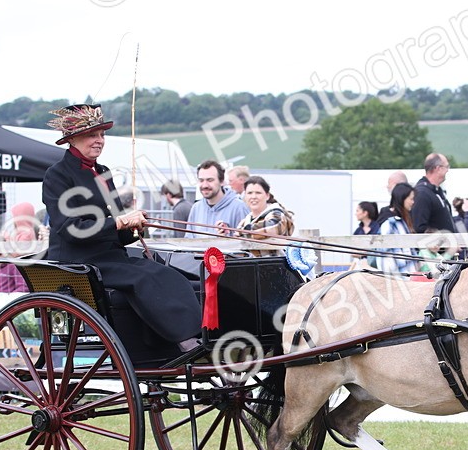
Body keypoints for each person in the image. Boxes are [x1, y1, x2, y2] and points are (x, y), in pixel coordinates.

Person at [42, 103, 201, 348]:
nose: (100, 140)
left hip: (110, 256)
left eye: (102, 134)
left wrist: (136, 227)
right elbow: (70, 229)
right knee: (146, 277)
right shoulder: (57, 175)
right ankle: (182, 339)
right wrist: (119, 221)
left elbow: (117, 231)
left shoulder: (103, 172)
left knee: (169, 272)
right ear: (72, 139)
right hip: (79, 262)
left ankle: (188, 335)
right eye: (92, 135)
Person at [186, 160, 248, 237]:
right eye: (201, 180)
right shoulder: (196, 208)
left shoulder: (239, 208)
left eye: (210, 180)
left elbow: (246, 243)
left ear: (221, 181)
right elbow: (189, 241)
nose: (205, 185)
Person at [234, 175, 293, 256]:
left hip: (275, 265)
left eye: (258, 193)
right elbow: (237, 242)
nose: (253, 197)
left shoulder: (277, 214)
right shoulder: (244, 222)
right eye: (249, 193)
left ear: (267, 196)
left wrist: (243, 233)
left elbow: (272, 228)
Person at [377, 183, 419, 274]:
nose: (413, 202)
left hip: (407, 276)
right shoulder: (390, 223)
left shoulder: (402, 220)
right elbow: (386, 257)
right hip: (399, 279)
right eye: (411, 199)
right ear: (402, 198)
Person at [411, 152, 453, 234]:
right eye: (446, 167)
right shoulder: (422, 194)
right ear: (438, 168)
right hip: (438, 246)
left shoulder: (436, 192)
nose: (448, 170)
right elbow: (419, 228)